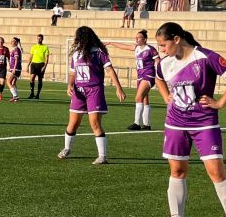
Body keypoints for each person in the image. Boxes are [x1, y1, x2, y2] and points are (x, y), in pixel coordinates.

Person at [154, 22, 226, 217]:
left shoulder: (205, 57)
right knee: (177, 171)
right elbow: (158, 79)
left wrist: (221, 102)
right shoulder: (164, 63)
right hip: (175, 123)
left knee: (216, 171)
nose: (162, 49)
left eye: (163, 44)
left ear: (177, 39)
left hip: (204, 123)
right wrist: (166, 96)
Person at [58, 26, 127, 165]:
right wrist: (70, 85)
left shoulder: (98, 53)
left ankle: (102, 156)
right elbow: (73, 73)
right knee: (73, 124)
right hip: (79, 91)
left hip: (94, 90)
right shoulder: (76, 54)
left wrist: (118, 88)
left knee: (94, 123)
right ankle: (67, 148)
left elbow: (110, 70)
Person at [110, 29, 159, 130]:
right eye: (136, 37)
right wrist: (110, 43)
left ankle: (136, 123)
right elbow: (124, 46)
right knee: (145, 99)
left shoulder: (150, 49)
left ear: (145, 39)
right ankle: (147, 125)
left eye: (139, 37)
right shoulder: (136, 48)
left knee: (138, 98)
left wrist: (160, 75)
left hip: (149, 75)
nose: (136, 39)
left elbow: (158, 62)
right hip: (140, 76)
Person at [28, 34, 50, 99]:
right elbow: (30, 56)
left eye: (40, 38)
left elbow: (47, 58)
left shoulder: (45, 47)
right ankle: (32, 93)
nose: (39, 40)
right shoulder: (33, 47)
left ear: (42, 39)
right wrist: (28, 65)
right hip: (34, 64)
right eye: (38, 38)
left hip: (41, 64)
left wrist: (45, 66)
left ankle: (38, 94)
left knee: (40, 80)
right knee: (32, 78)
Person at [8, 37, 24, 102]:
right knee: (13, 83)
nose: (11, 42)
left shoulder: (16, 50)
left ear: (16, 43)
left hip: (15, 68)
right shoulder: (16, 49)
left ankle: (15, 96)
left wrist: (14, 68)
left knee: (8, 82)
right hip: (17, 68)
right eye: (11, 41)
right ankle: (16, 97)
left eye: (13, 41)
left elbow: (16, 59)